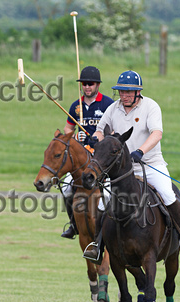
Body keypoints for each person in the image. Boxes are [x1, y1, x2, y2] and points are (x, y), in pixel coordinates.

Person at [83, 70, 180, 259]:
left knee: (167, 194)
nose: (124, 95)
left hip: (150, 164)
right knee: (104, 201)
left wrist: (140, 151)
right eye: (121, 91)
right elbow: (100, 131)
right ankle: (96, 244)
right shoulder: (113, 109)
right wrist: (95, 140)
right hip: (121, 170)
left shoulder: (150, 107)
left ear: (137, 92)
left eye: (128, 92)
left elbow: (156, 134)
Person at [60, 66, 114, 239]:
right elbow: (67, 129)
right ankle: (73, 224)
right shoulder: (77, 106)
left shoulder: (107, 104)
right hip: (81, 159)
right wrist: (75, 136)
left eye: (90, 84)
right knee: (67, 188)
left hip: (101, 158)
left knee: (107, 193)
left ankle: (110, 227)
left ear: (97, 85)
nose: (87, 87)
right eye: (84, 84)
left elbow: (115, 131)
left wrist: (100, 139)